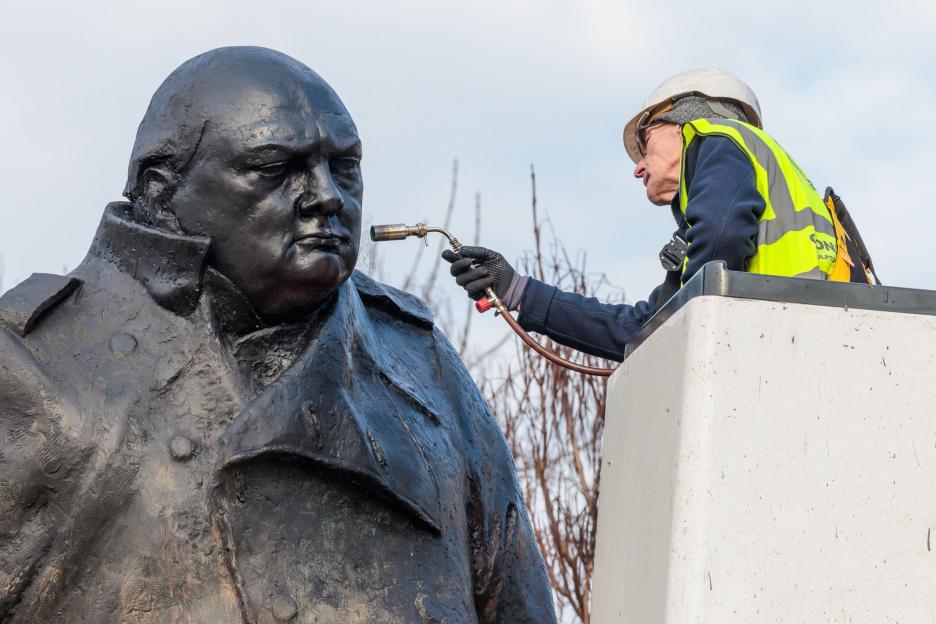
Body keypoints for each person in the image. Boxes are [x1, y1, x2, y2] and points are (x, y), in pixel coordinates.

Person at [0, 47, 557, 623]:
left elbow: (516, 599)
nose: (327, 196)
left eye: (344, 166)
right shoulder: (30, 360)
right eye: (274, 168)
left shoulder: (421, 361)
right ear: (162, 190)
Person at [444, 68, 875, 362]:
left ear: (681, 120)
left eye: (644, 143)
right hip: (798, 348)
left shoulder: (717, 136)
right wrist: (517, 290)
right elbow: (641, 329)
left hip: (783, 348)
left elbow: (721, 237)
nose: (637, 166)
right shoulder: (751, 206)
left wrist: (695, 280)